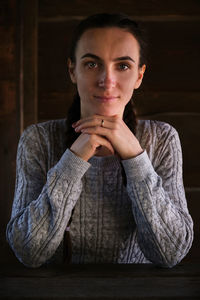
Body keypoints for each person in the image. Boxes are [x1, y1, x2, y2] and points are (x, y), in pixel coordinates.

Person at [6, 13, 193, 268]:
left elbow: (171, 252)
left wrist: (136, 158)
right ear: (72, 70)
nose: (107, 81)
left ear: (139, 75)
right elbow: (27, 251)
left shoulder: (161, 139)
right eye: (92, 64)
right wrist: (72, 161)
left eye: (123, 65)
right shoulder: (38, 140)